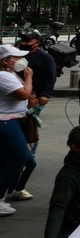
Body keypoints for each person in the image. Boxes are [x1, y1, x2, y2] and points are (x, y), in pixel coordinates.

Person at [0, 45, 33, 216]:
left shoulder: (9, 74)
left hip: (14, 121)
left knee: (26, 160)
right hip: (6, 123)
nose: (20, 60)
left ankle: (9, 192)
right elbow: (23, 94)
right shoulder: (3, 76)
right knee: (19, 158)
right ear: (6, 61)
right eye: (16, 57)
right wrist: (28, 77)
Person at [18, 30, 57, 118]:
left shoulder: (45, 58)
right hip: (19, 95)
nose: (23, 43)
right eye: (22, 41)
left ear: (37, 43)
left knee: (30, 123)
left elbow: (51, 77)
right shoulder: (18, 55)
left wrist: (45, 95)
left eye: (27, 41)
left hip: (35, 96)